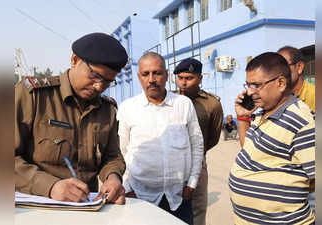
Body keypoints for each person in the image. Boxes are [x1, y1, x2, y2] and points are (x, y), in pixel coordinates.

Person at [15, 33, 128, 204]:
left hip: (87, 208)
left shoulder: (108, 109)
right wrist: (51, 187)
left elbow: (112, 156)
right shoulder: (33, 96)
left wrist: (113, 177)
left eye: (107, 82)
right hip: (34, 208)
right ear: (74, 60)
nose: (99, 86)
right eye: (95, 76)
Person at [117, 52, 203, 225]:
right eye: (145, 74)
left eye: (157, 73)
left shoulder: (183, 104)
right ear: (138, 77)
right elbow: (121, 151)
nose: (151, 79)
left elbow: (197, 144)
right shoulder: (128, 108)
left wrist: (192, 183)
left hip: (178, 197)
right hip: (140, 197)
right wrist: (127, 188)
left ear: (166, 74)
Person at [229, 52, 315, 224]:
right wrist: (242, 117)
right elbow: (250, 152)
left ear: (281, 83)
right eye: (248, 85)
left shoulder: (301, 120)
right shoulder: (261, 112)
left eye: (256, 85)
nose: (249, 92)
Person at [173, 57, 223, 225]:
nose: (184, 83)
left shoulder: (212, 104)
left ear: (200, 78)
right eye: (180, 78)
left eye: (189, 78)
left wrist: (196, 154)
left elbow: (213, 137)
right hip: (171, 163)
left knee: (198, 210)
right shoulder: (169, 101)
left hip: (198, 163)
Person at [277, 46, 315, 112]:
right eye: (275, 68)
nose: (279, 72)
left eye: (283, 66)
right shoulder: (275, 97)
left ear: (299, 67)